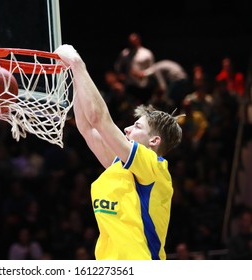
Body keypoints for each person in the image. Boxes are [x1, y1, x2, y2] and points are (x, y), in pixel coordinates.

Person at [54, 44, 184, 260]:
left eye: (137, 127)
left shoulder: (154, 166)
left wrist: (78, 65)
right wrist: (75, 78)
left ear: (154, 140)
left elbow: (99, 119)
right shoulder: (120, 165)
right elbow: (87, 127)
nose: (127, 129)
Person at [114, 32, 156, 105]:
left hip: (143, 85)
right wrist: (120, 74)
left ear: (138, 41)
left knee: (144, 106)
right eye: (130, 42)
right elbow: (118, 65)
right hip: (130, 84)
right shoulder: (125, 53)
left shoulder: (146, 53)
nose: (131, 44)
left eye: (133, 42)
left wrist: (144, 74)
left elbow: (153, 68)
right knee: (131, 106)